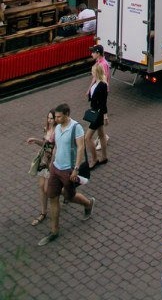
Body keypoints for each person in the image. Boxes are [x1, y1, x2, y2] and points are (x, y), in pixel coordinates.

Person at [38, 102, 94, 246]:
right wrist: (52, 163)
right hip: (56, 168)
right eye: (55, 117)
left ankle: (88, 204)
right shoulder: (57, 127)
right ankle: (54, 231)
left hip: (68, 170)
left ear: (67, 115)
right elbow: (56, 145)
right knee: (53, 197)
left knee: (70, 196)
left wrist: (75, 168)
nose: (56, 119)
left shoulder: (76, 128)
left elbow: (81, 148)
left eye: (59, 117)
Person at [26, 109, 56, 226]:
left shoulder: (57, 132)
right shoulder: (47, 129)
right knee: (41, 187)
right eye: (48, 118)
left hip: (51, 162)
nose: (49, 120)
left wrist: (52, 163)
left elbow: (55, 149)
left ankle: (67, 191)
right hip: (44, 161)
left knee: (47, 189)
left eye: (51, 118)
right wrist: (35, 140)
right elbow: (45, 145)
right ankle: (43, 213)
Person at [85, 62, 109, 167]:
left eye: (92, 71)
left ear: (96, 72)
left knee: (87, 138)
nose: (91, 72)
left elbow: (103, 102)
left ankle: (94, 159)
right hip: (95, 111)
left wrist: (105, 116)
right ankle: (104, 157)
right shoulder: (95, 83)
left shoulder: (102, 85)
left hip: (98, 113)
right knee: (101, 135)